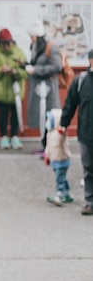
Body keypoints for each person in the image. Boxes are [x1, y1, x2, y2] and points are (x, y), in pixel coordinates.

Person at [60, 49, 93, 215]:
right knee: (88, 169)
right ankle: (90, 201)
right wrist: (63, 124)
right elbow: (70, 104)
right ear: (91, 61)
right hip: (86, 133)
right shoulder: (81, 81)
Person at [25, 20, 62, 153]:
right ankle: (45, 145)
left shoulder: (50, 48)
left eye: (32, 37)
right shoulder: (36, 47)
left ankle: (50, 147)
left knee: (50, 116)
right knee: (42, 116)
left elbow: (57, 66)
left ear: (38, 36)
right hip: (39, 90)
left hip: (48, 89)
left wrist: (36, 70)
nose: (31, 39)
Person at [44, 108, 73, 206]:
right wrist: (47, 156)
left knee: (59, 178)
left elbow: (62, 138)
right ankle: (67, 192)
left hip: (62, 160)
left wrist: (62, 131)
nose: (47, 122)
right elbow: (48, 146)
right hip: (54, 160)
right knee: (62, 178)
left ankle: (60, 193)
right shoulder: (49, 134)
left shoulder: (59, 133)